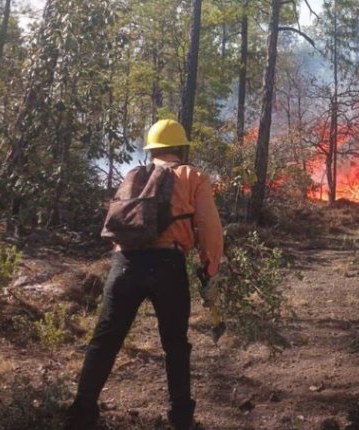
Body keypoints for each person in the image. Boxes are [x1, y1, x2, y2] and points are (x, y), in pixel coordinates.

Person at [66, 119, 223, 430]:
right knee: (175, 345)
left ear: (151, 149)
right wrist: (210, 269)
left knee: (104, 341)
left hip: (124, 264)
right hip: (168, 265)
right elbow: (210, 229)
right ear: (181, 148)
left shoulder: (133, 175)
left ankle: (81, 414)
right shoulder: (193, 176)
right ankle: (181, 418)